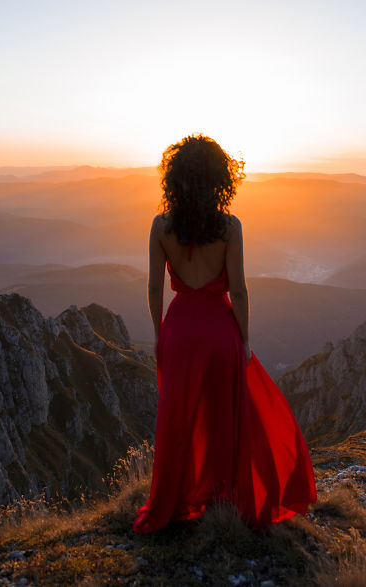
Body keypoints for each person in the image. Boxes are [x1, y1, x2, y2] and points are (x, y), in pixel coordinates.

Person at [133, 134, 316, 533]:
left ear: (174, 178)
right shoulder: (230, 227)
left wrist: (159, 333)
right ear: (220, 179)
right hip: (220, 331)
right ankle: (223, 499)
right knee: (223, 419)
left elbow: (152, 288)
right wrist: (245, 340)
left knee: (179, 419)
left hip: (179, 331)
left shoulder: (160, 226)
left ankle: (176, 502)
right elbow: (239, 290)